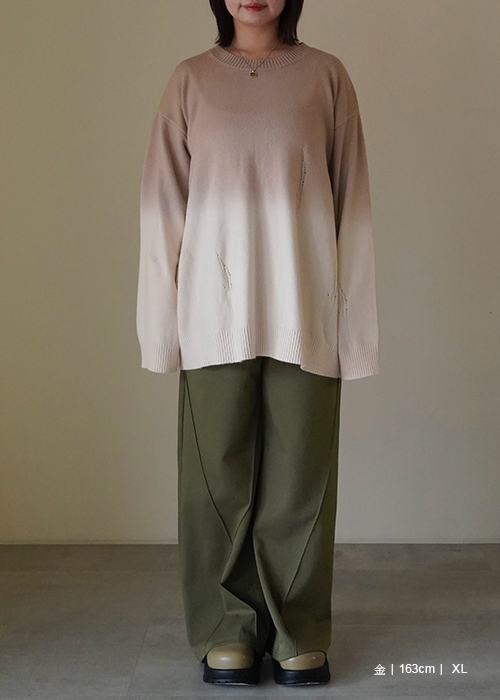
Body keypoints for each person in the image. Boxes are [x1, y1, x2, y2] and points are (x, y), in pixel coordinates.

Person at [136, 0, 381, 688]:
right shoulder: (189, 81)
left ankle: (297, 629)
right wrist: (160, 327)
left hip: (306, 309)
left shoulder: (326, 77)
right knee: (214, 480)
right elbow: (161, 207)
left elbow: (353, 205)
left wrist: (354, 331)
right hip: (211, 314)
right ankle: (226, 628)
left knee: (302, 477)